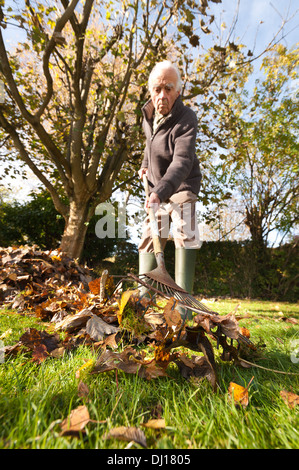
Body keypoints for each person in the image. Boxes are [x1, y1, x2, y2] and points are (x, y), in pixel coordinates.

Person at [138, 60, 202, 318]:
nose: (162, 95)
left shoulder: (186, 118)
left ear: (178, 91)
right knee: (148, 238)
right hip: (156, 187)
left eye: (168, 88)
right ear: (150, 90)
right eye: (157, 89)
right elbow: (150, 145)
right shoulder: (148, 114)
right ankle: (144, 301)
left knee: (184, 229)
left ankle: (184, 304)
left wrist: (160, 191)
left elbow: (182, 161)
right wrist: (144, 165)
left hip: (181, 183)